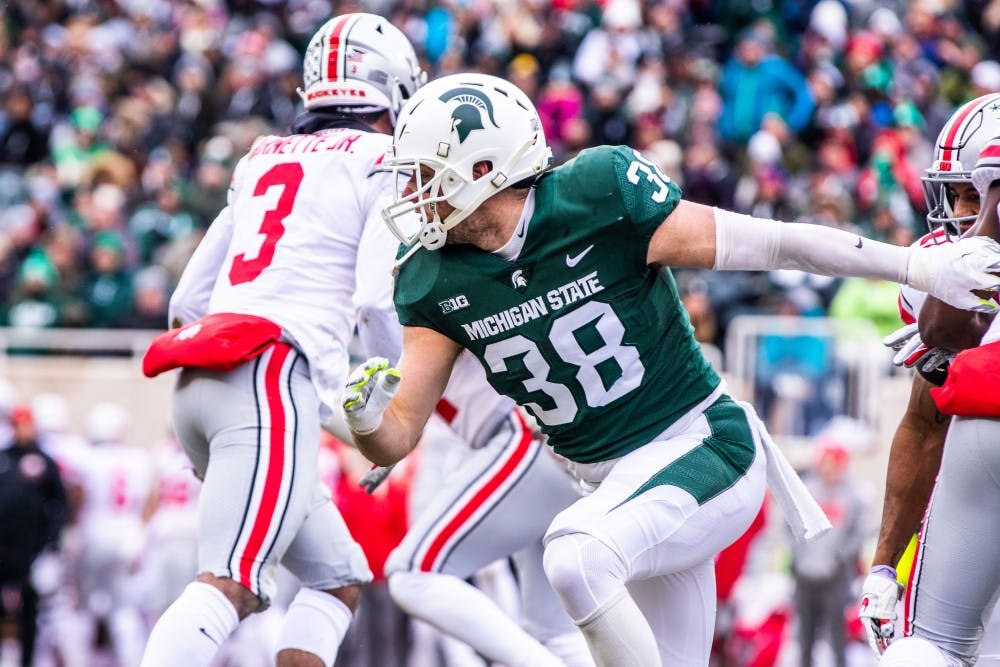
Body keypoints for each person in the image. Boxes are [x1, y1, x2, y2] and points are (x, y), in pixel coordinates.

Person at [340, 72, 1000, 666]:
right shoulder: (428, 277)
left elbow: (775, 242)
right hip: (613, 486)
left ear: (483, 167)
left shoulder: (595, 195)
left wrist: (916, 266)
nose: (414, 195)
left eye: (428, 175)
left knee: (574, 556)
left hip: (702, 448)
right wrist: (365, 419)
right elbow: (399, 431)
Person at [138, 14, 426, 667]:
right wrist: (391, 412)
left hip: (205, 375)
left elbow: (186, 299)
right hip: (270, 378)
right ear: (392, 92)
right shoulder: (381, 159)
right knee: (232, 583)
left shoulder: (259, 155)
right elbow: (377, 299)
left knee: (337, 579)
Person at [856, 92, 1000, 657]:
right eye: (958, 195)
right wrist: (883, 567)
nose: (958, 212)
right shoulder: (939, 270)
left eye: (972, 194)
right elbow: (924, 420)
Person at [0, 404, 68, 667]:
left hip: (30, 549)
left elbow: (60, 503)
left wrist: (52, 542)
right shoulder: (5, 457)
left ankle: (27, 661)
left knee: (30, 611)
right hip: (3, 548)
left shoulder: (44, 460)